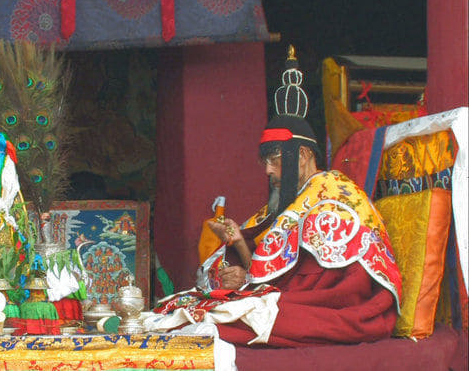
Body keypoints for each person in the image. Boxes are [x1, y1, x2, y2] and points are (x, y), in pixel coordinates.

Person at [155, 48, 402, 347]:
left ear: (303, 155)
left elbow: (327, 286)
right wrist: (239, 244)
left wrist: (250, 283)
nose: (268, 171)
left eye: (274, 160)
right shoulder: (292, 199)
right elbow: (271, 272)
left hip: (340, 309)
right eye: (265, 163)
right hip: (292, 299)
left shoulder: (334, 197)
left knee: (225, 316)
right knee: (192, 308)